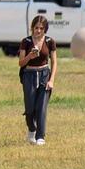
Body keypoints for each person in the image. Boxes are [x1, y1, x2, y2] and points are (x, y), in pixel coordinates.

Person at [18, 15, 57, 146]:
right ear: (32, 28)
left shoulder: (50, 41)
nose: (38, 30)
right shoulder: (26, 41)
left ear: (45, 29)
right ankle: (32, 129)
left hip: (44, 74)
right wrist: (30, 56)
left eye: (41, 28)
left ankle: (40, 136)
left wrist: (51, 80)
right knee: (30, 109)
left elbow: (54, 62)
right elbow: (21, 63)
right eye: (36, 28)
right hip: (29, 75)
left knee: (41, 107)